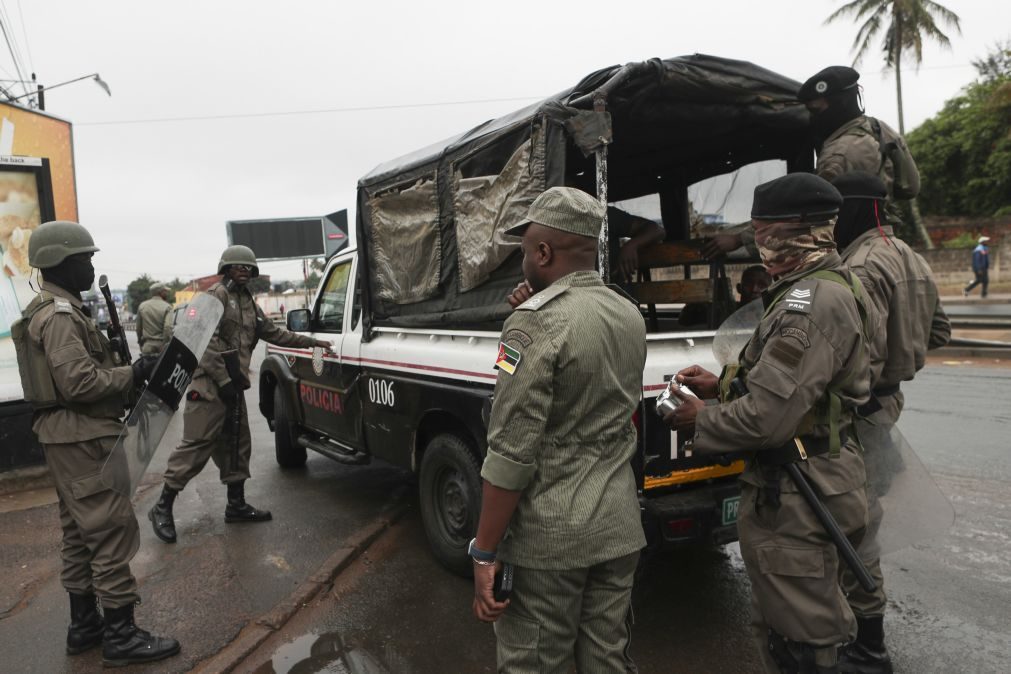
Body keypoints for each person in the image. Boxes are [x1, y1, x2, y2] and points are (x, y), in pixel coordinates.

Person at [663, 174, 873, 673]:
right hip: (805, 482)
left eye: (762, 230)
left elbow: (768, 419)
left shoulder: (810, 302)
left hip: (803, 494)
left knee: (801, 641)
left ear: (792, 230)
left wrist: (702, 420)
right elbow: (798, 388)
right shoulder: (818, 286)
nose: (758, 242)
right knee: (784, 623)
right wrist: (725, 384)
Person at [471, 186, 646, 672]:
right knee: (606, 660)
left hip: (550, 540)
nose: (523, 260)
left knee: (535, 663)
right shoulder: (627, 312)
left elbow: (510, 453)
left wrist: (484, 552)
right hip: (617, 527)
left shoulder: (531, 326)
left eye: (525, 249)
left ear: (543, 252)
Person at [14, 220, 180, 666]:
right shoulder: (62, 317)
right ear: (60, 263)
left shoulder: (47, 310)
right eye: (85, 258)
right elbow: (79, 383)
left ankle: (85, 626)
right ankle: (121, 636)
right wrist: (136, 373)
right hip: (84, 438)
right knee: (109, 531)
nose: (91, 266)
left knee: (78, 533)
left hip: (67, 438)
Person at [832, 171, 950, 673]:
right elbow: (940, 331)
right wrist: (909, 351)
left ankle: (866, 643)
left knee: (850, 529)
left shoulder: (858, 264)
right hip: (888, 406)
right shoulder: (911, 256)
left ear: (855, 210)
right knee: (861, 521)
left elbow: (860, 359)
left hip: (858, 415)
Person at [148, 245, 333, 544]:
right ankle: (162, 507)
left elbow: (274, 333)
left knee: (237, 445)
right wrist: (222, 379)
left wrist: (312, 342)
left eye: (248, 267)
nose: (244, 270)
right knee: (196, 447)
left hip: (233, 386)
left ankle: (236, 505)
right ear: (226, 268)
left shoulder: (247, 301)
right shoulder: (215, 297)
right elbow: (201, 340)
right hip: (209, 386)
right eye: (238, 266)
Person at [135, 281, 174, 356]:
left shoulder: (142, 306)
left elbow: (138, 328)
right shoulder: (167, 307)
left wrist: (140, 343)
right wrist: (164, 344)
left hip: (147, 346)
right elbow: (168, 327)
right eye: (165, 291)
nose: (166, 293)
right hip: (162, 347)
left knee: (146, 367)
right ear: (161, 292)